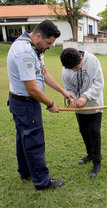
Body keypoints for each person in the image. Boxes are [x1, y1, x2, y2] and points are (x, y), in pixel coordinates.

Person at [7, 19, 76, 190]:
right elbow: (32, 88)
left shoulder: (34, 47)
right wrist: (50, 103)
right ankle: (42, 181)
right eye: (48, 43)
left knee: (23, 138)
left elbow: (43, 73)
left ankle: (25, 172)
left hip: (22, 103)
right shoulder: (25, 52)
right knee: (34, 141)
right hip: (26, 104)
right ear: (38, 35)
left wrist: (63, 91)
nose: (50, 47)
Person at [60, 48, 104, 178]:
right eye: (71, 69)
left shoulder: (92, 61)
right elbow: (69, 88)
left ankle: (97, 161)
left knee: (94, 132)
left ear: (81, 59)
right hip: (79, 108)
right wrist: (72, 99)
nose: (74, 70)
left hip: (94, 105)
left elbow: (99, 83)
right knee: (83, 130)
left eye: (76, 67)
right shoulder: (67, 68)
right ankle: (90, 154)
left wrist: (85, 97)